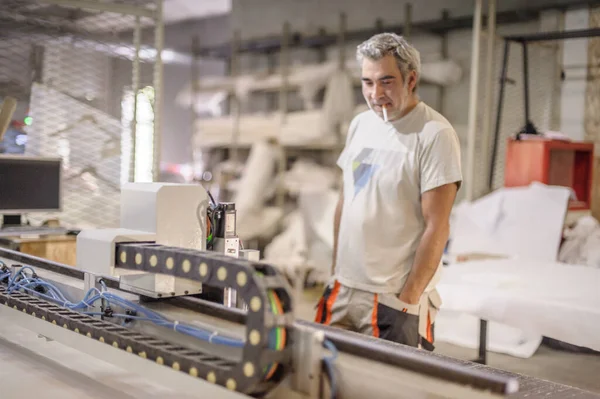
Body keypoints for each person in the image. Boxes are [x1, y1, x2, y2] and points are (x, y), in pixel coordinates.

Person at [314, 33, 462, 351]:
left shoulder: (435, 134)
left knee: (388, 387)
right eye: (367, 82)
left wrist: (408, 299)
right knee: (323, 376)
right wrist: (335, 271)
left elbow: (438, 225)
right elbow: (346, 200)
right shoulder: (360, 125)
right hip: (344, 286)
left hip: (391, 296)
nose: (375, 94)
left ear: (411, 79)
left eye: (386, 81)